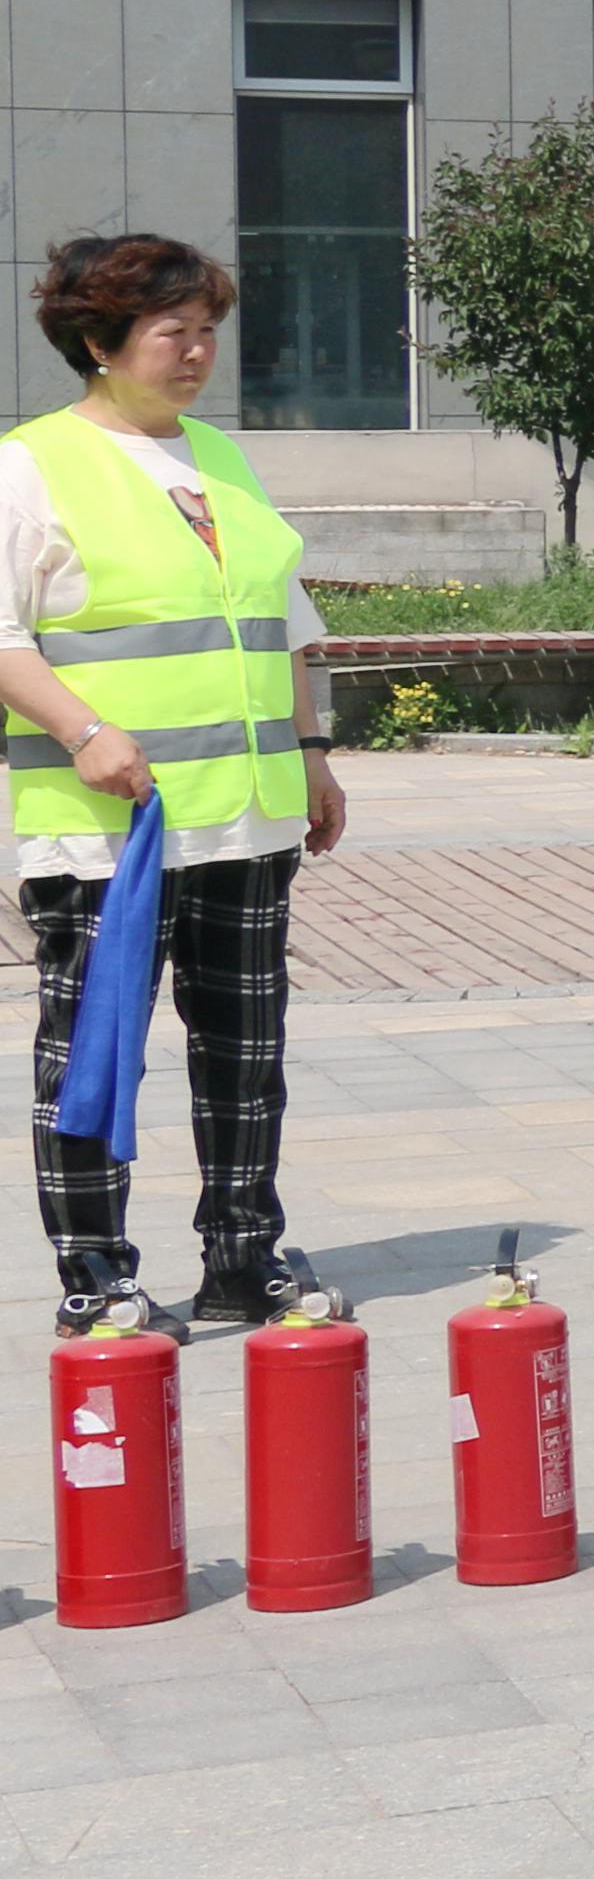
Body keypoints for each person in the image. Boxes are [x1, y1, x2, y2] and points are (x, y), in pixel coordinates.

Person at [1, 235, 346, 1332]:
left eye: (207, 330)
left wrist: (311, 751)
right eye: (171, 331)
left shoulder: (221, 460)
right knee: (95, 1055)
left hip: (247, 817)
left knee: (246, 1053)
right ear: (100, 342)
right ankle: (95, 1278)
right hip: (111, 826)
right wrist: (84, 728)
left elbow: (277, 619)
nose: (197, 352)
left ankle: (243, 1258)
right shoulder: (31, 466)